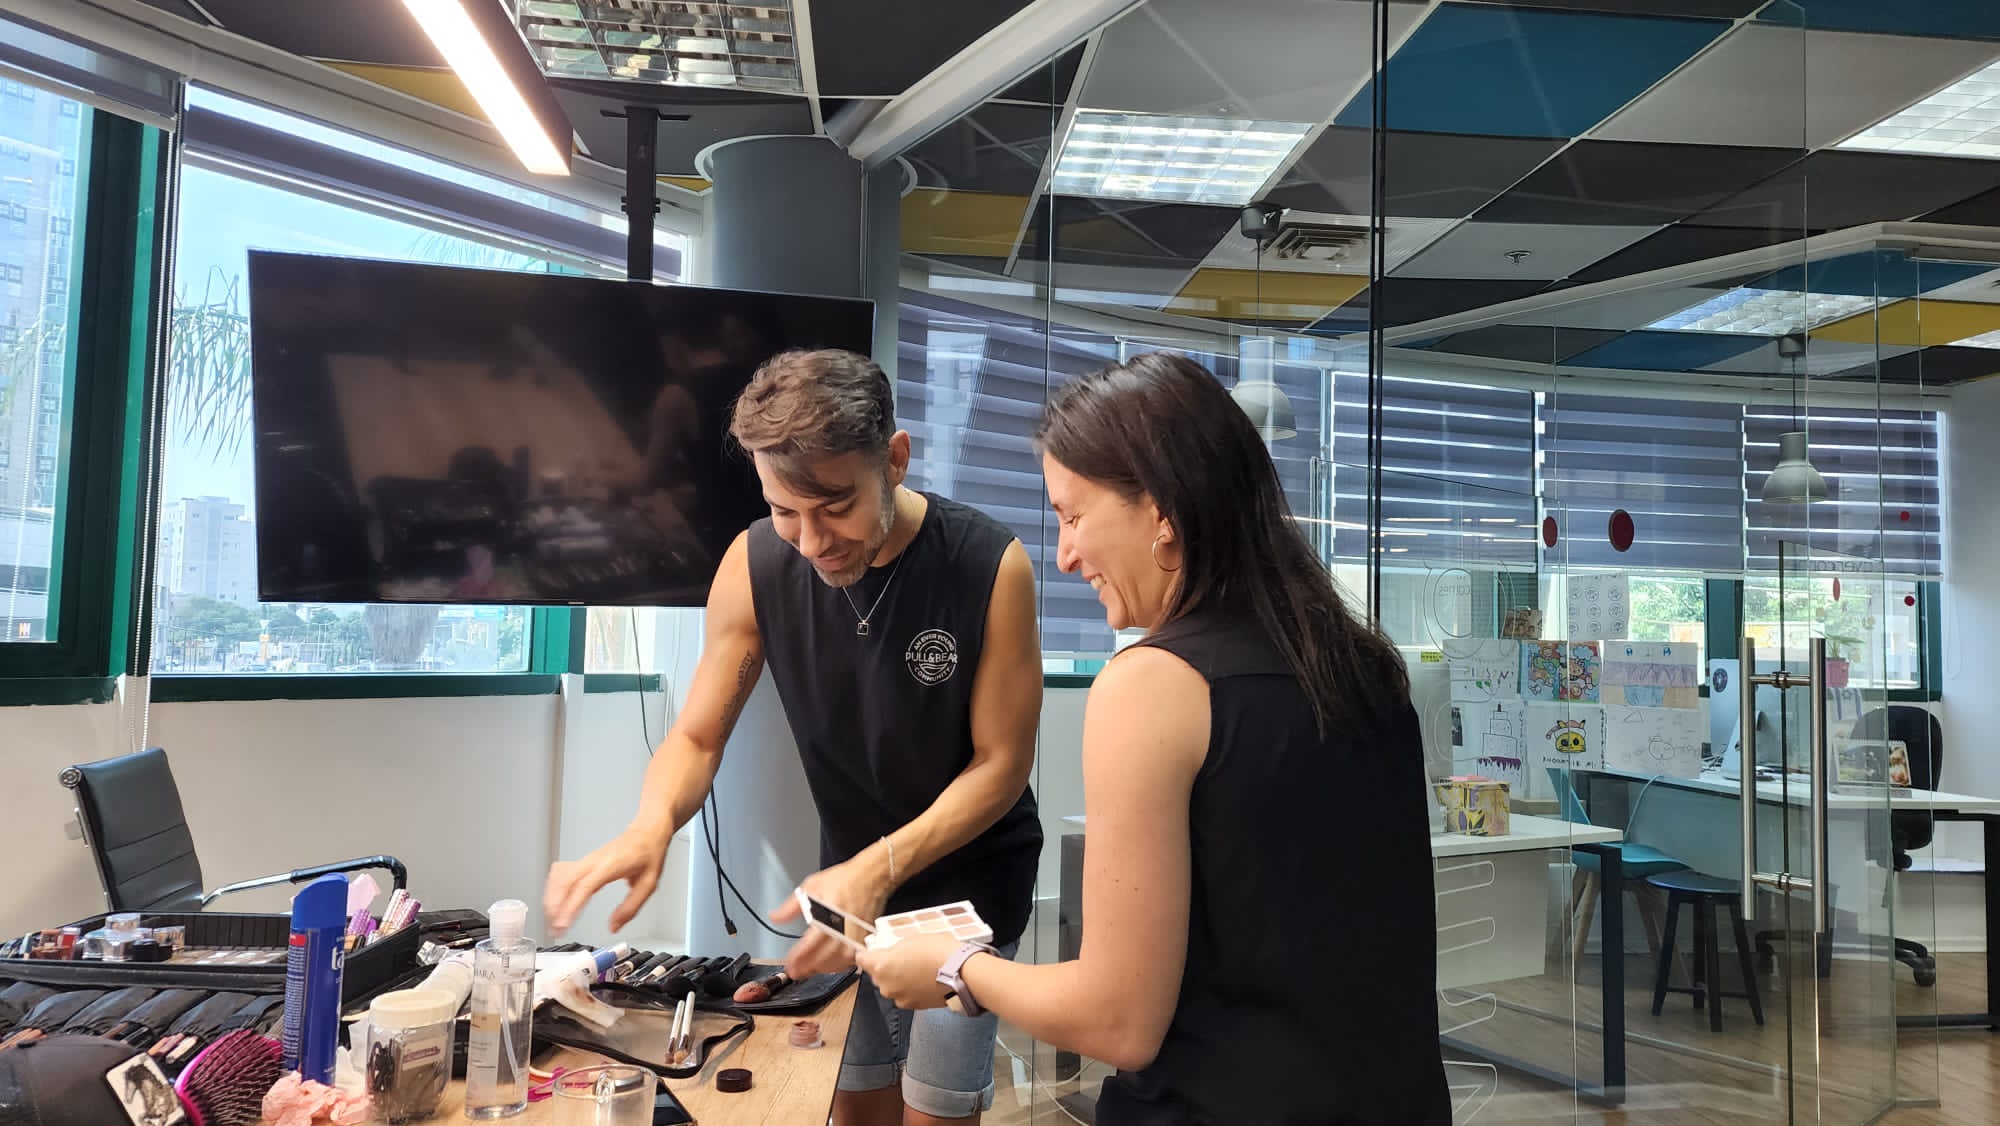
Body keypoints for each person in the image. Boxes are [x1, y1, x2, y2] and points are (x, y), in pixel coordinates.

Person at [856, 352, 1451, 1126]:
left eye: (1073, 516)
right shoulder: (1364, 665)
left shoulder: (1152, 685)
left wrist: (955, 966)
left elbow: (1118, 1021)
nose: (1065, 554)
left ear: (1163, 510)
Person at [543, 348, 1044, 1126]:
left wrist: (877, 869)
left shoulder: (988, 565)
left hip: (966, 892)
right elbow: (698, 737)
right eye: (785, 511)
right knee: (855, 1100)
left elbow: (1001, 766)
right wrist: (652, 825)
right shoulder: (754, 564)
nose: (811, 542)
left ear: (895, 459)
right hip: (847, 889)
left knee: (935, 1110)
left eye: (836, 506)